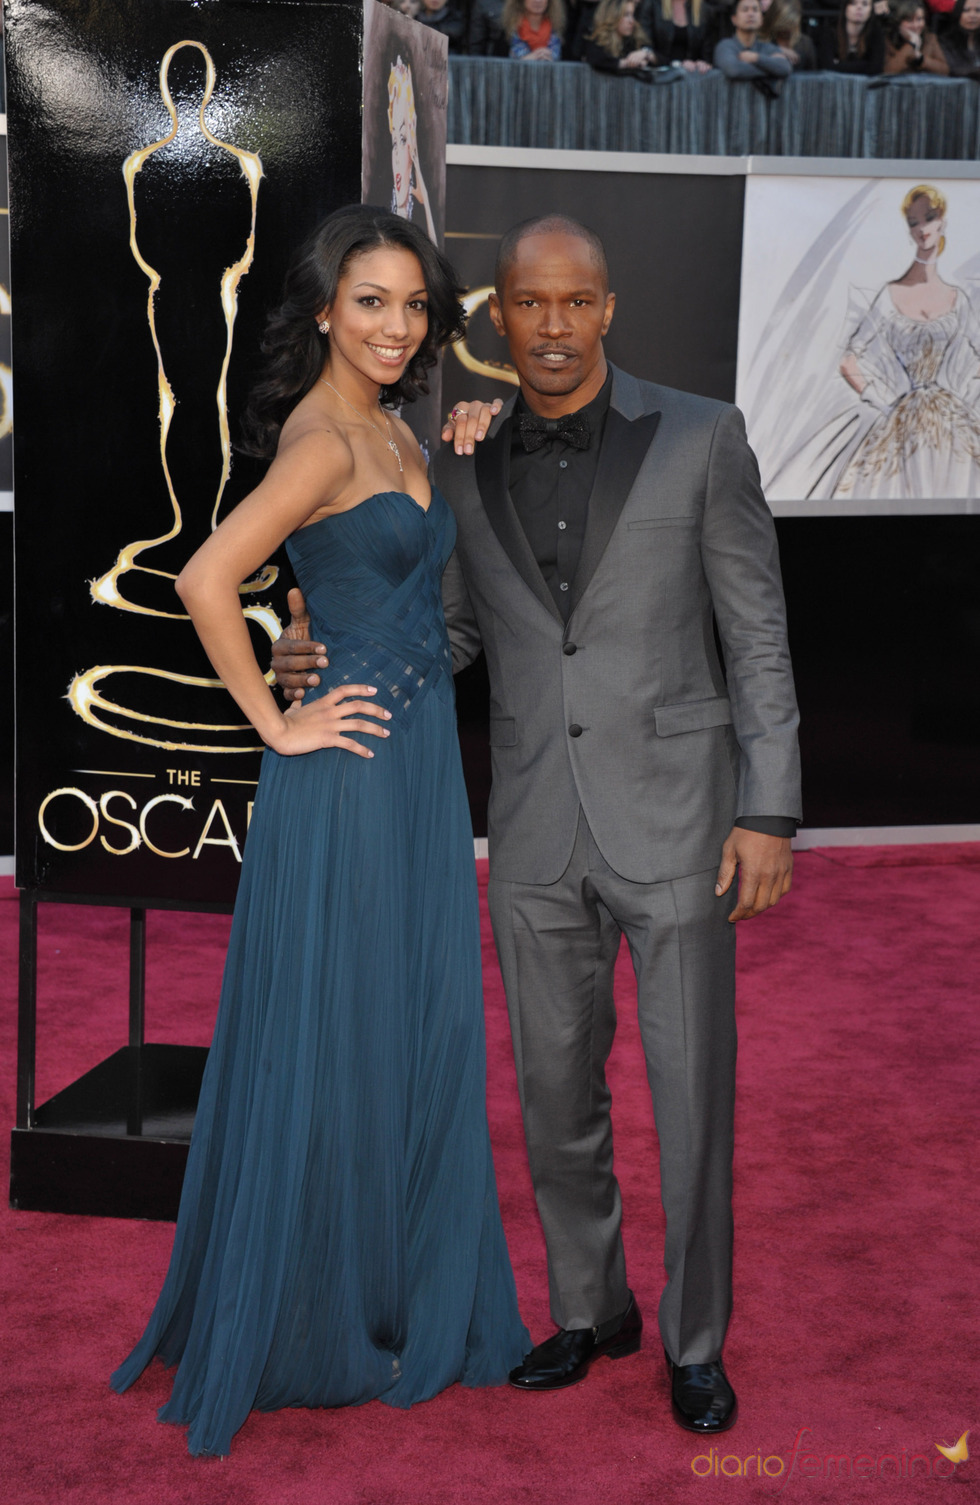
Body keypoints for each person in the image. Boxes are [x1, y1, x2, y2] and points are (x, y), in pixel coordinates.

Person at [275, 214, 801, 1434]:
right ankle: (589, 1306)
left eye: (574, 303)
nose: (552, 325)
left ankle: (694, 1336)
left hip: (680, 824)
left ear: (606, 309)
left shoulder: (701, 436)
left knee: (687, 1097)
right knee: (554, 1095)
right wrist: (321, 663)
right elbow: (450, 634)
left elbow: (757, 635)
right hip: (529, 829)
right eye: (528, 304)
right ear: (496, 321)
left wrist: (767, 805)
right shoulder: (458, 458)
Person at [109, 206, 530, 1457]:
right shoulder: (319, 437)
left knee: (403, 1020)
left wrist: (466, 433)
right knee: (342, 1021)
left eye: (413, 305)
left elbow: (357, 584)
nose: (396, 326)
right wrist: (273, 725)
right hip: (343, 774)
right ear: (320, 312)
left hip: (412, 772)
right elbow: (202, 575)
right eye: (370, 303)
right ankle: (323, 1306)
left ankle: (386, 1288)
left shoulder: (391, 425)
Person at [835, 184, 980, 498]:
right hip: (903, 419)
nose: (923, 228)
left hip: (951, 420)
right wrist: (885, 405)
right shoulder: (890, 295)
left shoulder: (958, 299)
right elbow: (848, 361)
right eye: (914, 222)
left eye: (929, 217)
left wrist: (966, 399)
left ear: (942, 222)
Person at [387, 57, 437, 243]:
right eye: (394, 143)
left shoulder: (419, 207)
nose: (398, 157)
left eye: (402, 139)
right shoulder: (380, 211)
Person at [713, 0, 794, 86]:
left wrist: (756, 58)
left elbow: (785, 68)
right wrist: (772, 69)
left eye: (755, 10)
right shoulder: (725, 46)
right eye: (745, 9)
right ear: (734, 19)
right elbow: (734, 70)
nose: (750, 14)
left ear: (762, 20)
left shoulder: (767, 47)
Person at [584, 0, 659, 71]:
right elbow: (597, 60)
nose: (631, 21)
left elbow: (663, 59)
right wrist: (626, 63)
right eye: (626, 15)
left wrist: (646, 54)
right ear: (612, 16)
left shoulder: (635, 38)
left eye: (633, 15)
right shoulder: (598, 40)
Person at [816, 0, 886, 74]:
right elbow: (827, 67)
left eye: (865, 4)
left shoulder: (876, 34)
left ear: (871, 10)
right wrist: (864, 64)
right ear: (845, 8)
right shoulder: (830, 33)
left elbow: (876, 69)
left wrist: (839, 64)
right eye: (853, 3)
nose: (859, 7)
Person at [882, 0, 950, 69]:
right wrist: (911, 44)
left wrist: (921, 59)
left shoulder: (929, 38)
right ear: (898, 22)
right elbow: (889, 70)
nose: (915, 25)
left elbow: (944, 69)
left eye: (919, 19)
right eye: (909, 20)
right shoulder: (887, 40)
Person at [651, 0, 714, 70]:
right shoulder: (653, 4)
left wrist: (702, 64)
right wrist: (677, 64)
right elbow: (645, 45)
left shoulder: (704, 9)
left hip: (690, 73)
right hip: (658, 71)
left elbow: (706, 53)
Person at [760, 0, 818, 65]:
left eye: (790, 24)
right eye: (783, 25)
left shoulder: (805, 43)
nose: (786, 29)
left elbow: (813, 72)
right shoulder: (761, 42)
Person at [940, 0, 980, 73]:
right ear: (958, 14)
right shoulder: (945, 41)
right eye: (966, 10)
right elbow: (953, 69)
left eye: (978, 10)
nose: (972, 15)